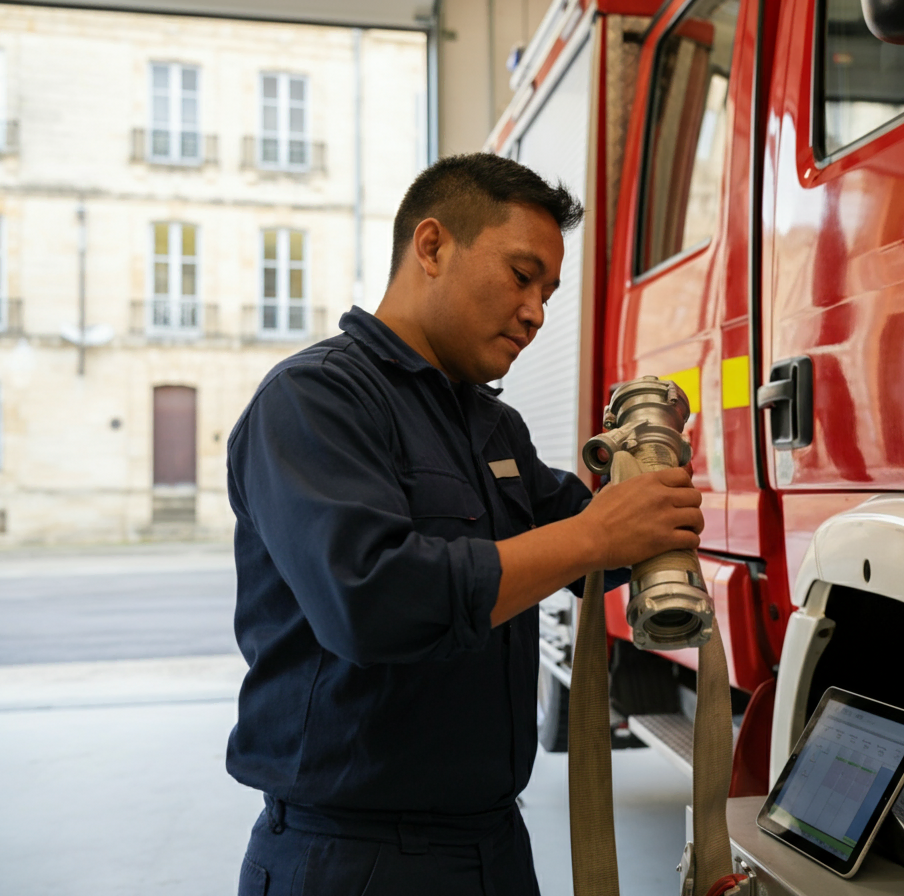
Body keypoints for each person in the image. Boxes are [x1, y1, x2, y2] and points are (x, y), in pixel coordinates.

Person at [226, 153, 704, 896]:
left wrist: (647, 486)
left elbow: (595, 542)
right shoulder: (314, 400)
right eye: (521, 276)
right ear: (432, 246)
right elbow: (370, 601)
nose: (536, 313)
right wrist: (598, 535)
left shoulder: (492, 426)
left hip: (492, 844)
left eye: (547, 293)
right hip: (353, 858)